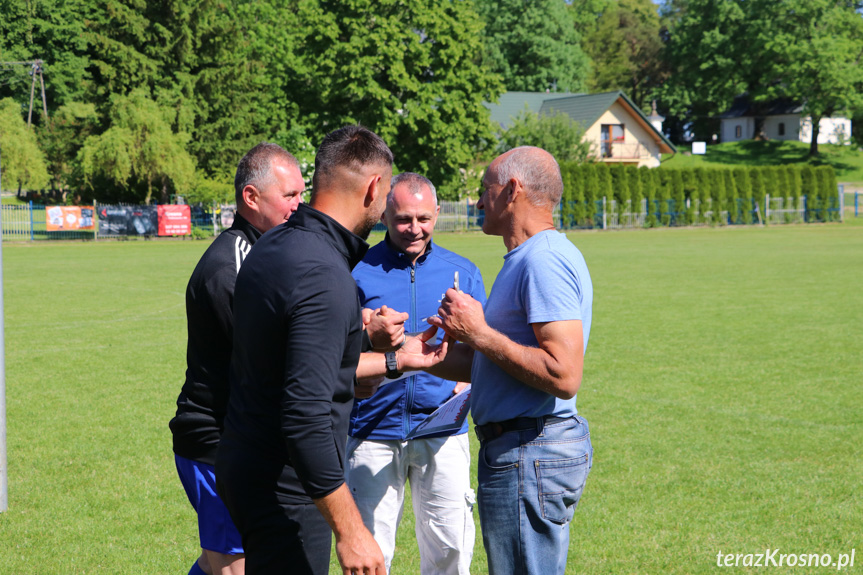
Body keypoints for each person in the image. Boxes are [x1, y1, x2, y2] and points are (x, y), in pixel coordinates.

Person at [215, 126, 449, 575]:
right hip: (285, 485)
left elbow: (284, 358)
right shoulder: (325, 273)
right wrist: (351, 530)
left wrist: (360, 351)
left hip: (247, 465)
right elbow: (305, 416)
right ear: (375, 188)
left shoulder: (275, 244)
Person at [427, 146, 594, 575]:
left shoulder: (543, 260)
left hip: (529, 450)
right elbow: (497, 364)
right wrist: (418, 353)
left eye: (486, 189)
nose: (479, 201)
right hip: (522, 449)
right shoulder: (527, 258)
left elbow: (563, 374)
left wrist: (480, 332)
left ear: (513, 190)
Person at [169, 142, 304, 575]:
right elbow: (268, 359)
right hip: (215, 442)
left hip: (234, 440)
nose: (299, 207)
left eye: (302, 194)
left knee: (218, 564)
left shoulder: (260, 253)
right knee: (234, 566)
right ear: (251, 198)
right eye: (290, 197)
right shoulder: (232, 267)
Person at [347, 172, 485, 574]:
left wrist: (464, 384)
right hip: (371, 432)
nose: (414, 229)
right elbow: (332, 345)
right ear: (385, 215)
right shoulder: (356, 269)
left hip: (443, 432)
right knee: (369, 558)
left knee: (451, 553)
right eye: (404, 218)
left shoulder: (463, 271)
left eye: (424, 219)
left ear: (438, 214)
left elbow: (484, 344)